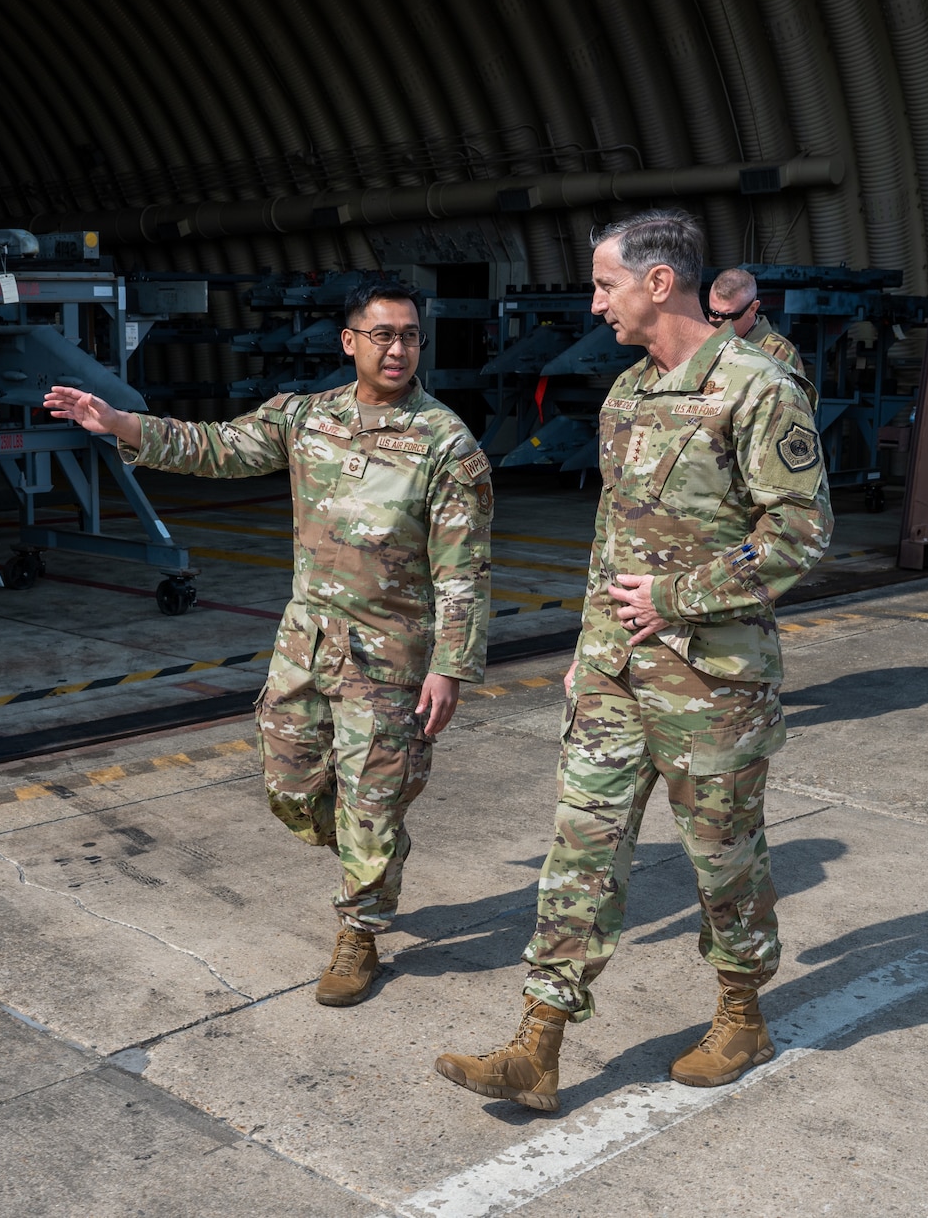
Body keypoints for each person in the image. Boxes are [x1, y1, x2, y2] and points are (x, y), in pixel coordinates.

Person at [431, 210, 832, 1113]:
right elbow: (612, 541)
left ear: (661, 282)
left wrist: (679, 596)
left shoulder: (757, 387)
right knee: (581, 850)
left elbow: (804, 532)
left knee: (724, 862)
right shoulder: (623, 395)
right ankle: (538, 1042)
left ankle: (740, 1014)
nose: (594, 299)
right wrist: (588, 645)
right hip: (617, 674)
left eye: (606, 282)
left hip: (713, 684)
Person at [42, 278, 492, 1008]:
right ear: (350, 342)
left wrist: (451, 665)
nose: (398, 348)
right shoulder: (305, 418)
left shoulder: (444, 442)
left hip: (391, 657)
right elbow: (216, 449)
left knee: (372, 802)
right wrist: (120, 421)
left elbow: (463, 567)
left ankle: (360, 928)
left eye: (409, 334)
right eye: (382, 334)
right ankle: (366, 844)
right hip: (307, 643)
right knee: (288, 788)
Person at [706, 267, 816, 405]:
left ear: (752, 309)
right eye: (712, 313)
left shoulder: (780, 353)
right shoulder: (703, 343)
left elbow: (788, 409)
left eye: (728, 316)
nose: (717, 323)